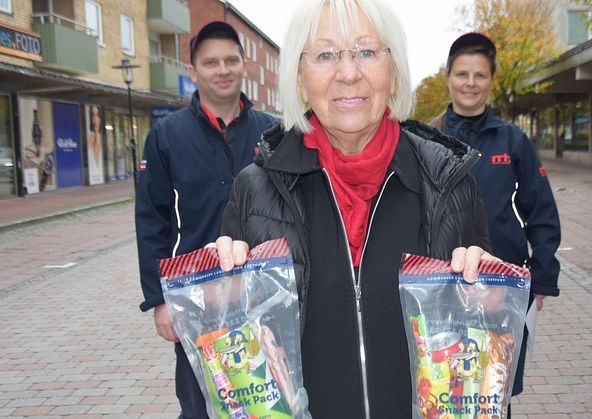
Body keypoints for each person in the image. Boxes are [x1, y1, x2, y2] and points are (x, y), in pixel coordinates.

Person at [214, 0, 496, 417]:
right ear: (299, 77)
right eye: (326, 55)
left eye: (366, 51)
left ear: (394, 71)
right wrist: (223, 296)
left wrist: (488, 297)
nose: (348, 73)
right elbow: (239, 351)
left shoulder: (449, 184)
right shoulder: (254, 190)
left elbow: (481, 349)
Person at [134, 21, 277, 419]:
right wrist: (159, 301)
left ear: (244, 64)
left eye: (231, 59)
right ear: (194, 70)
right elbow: (151, 221)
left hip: (261, 291)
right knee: (200, 405)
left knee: (269, 397)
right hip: (195, 297)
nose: (223, 69)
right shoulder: (166, 136)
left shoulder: (273, 133)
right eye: (211, 62)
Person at [430, 32, 562, 416]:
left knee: (494, 387)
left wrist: (542, 278)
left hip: (501, 285)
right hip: (443, 284)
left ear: (491, 80)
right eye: (462, 74)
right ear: (448, 78)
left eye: (480, 75)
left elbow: (542, 212)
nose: (470, 83)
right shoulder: (427, 138)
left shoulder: (512, 140)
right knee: (445, 385)